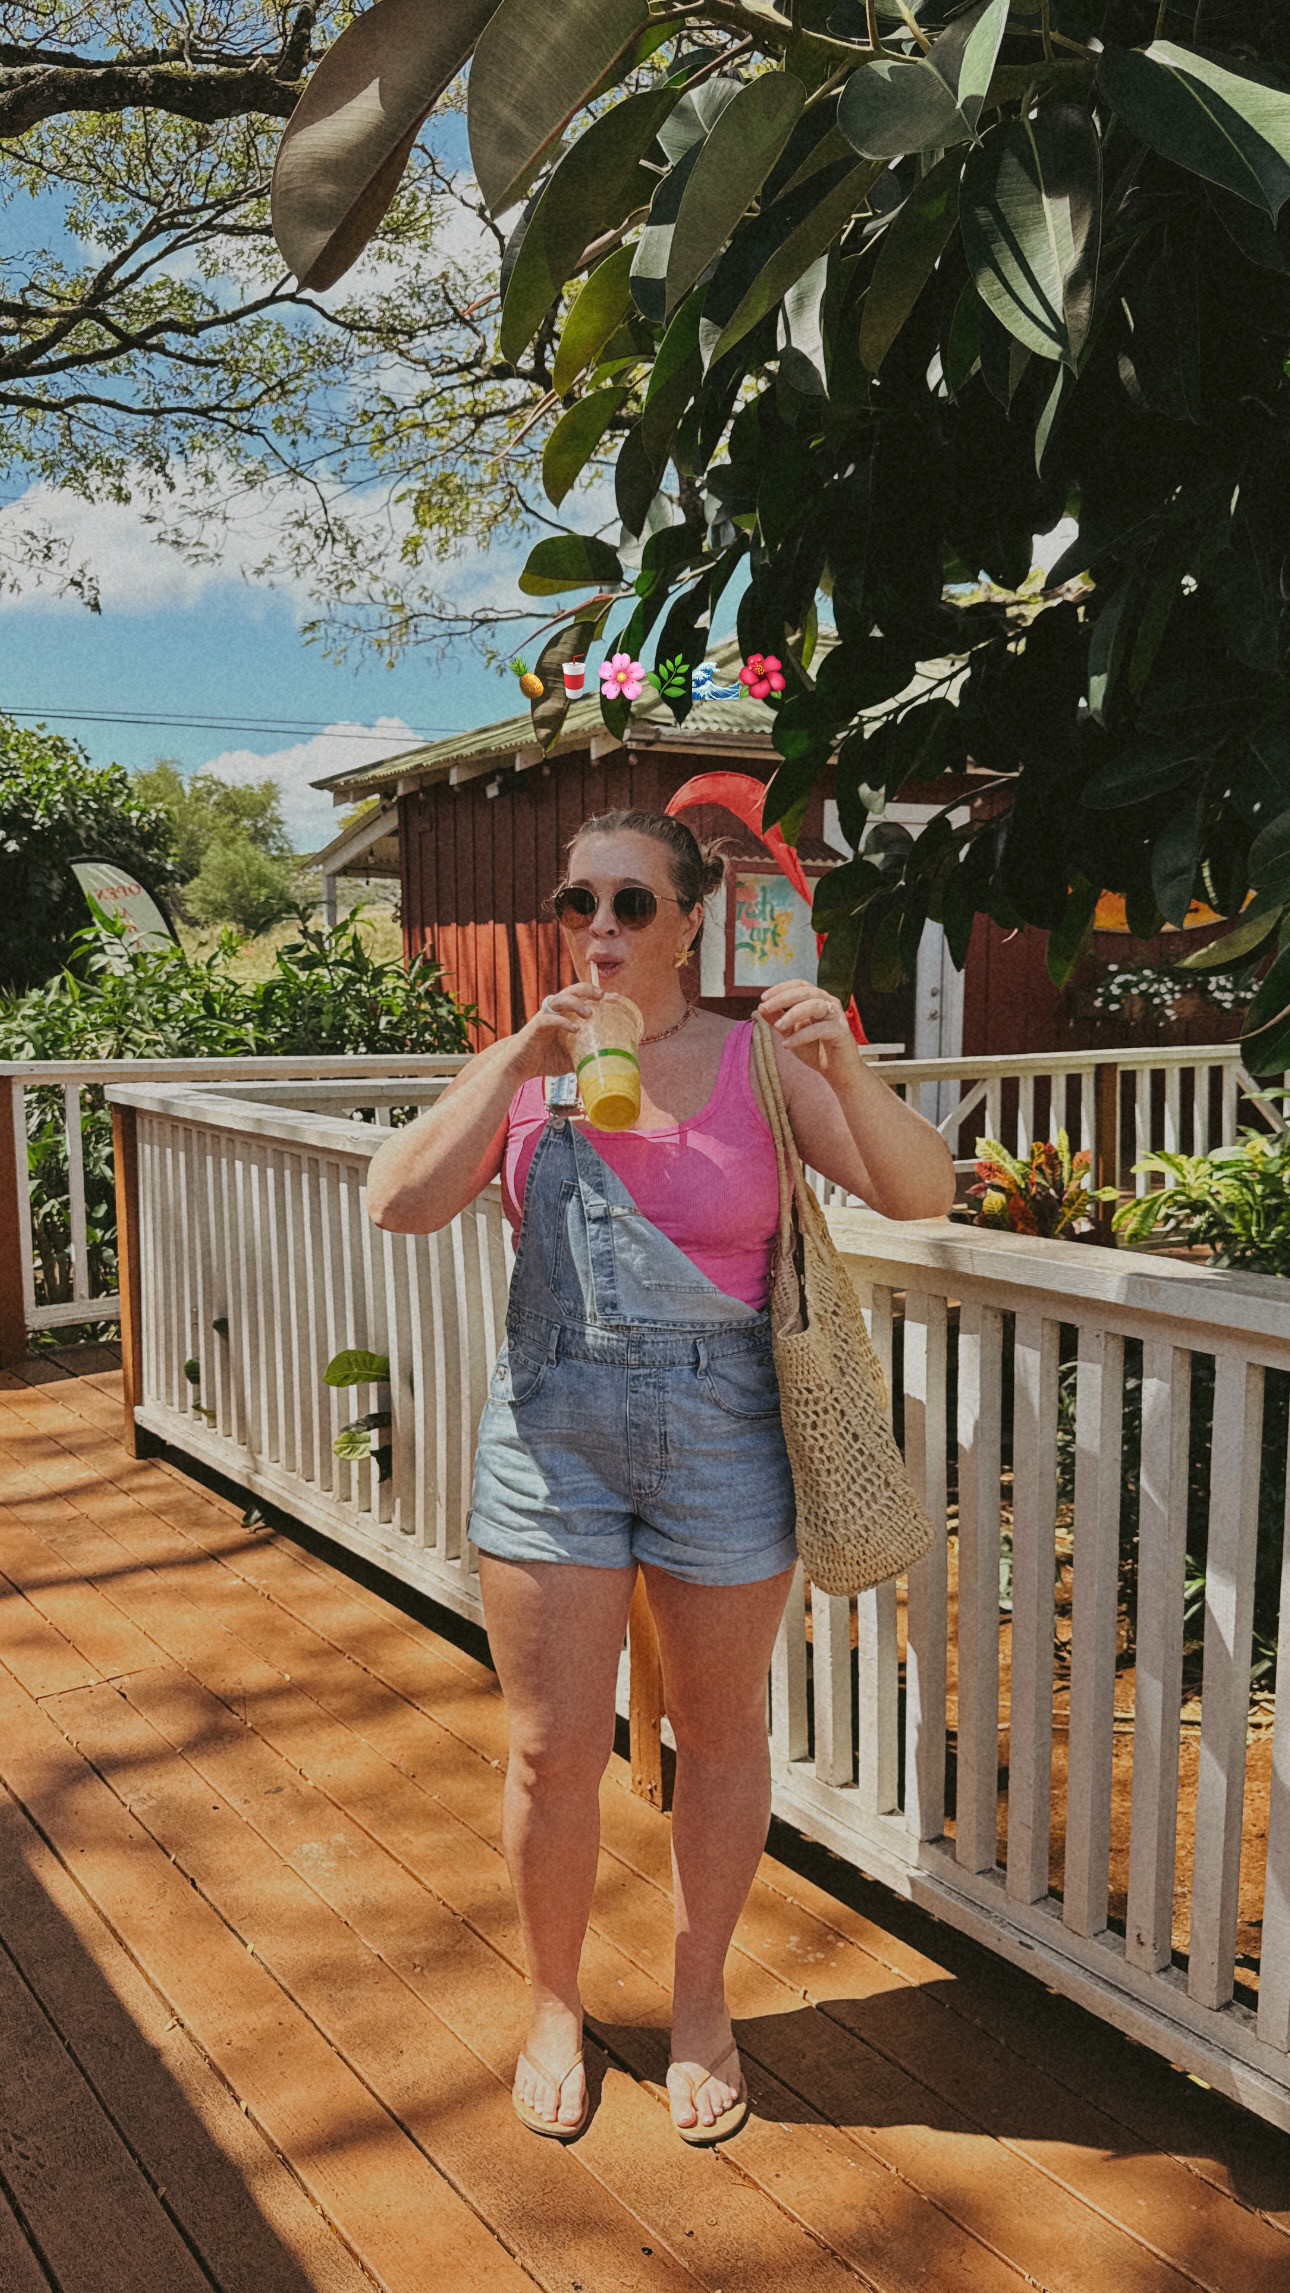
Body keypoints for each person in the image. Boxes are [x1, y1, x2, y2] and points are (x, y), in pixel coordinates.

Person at [366, 808, 954, 2146]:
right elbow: (396, 1199)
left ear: (691, 919)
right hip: (550, 1440)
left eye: (634, 903)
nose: (603, 928)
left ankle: (700, 2005)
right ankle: (555, 2003)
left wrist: (847, 1072)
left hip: (725, 1438)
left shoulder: (756, 1062)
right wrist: (523, 1047)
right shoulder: (531, 1064)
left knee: (720, 1736)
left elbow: (919, 1191)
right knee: (549, 1748)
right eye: (580, 901)